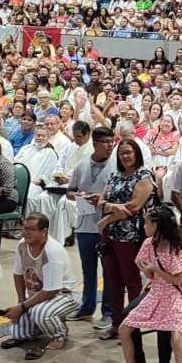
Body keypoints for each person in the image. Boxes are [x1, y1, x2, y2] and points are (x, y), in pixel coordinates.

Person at [117, 204, 182, 363]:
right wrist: (148, 271)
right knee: (124, 328)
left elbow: (177, 281)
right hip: (156, 291)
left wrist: (155, 269)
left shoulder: (176, 248)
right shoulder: (148, 244)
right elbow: (150, 275)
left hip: (174, 294)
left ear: (157, 225)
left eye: (147, 223)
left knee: (176, 338)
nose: (144, 227)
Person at [94, 139, 155, 342]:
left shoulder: (144, 176)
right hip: (110, 234)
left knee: (131, 280)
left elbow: (135, 207)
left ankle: (132, 325)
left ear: (137, 153)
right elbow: (100, 201)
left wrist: (107, 218)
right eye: (122, 153)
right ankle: (116, 323)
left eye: (129, 152)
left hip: (129, 235)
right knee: (113, 280)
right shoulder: (114, 175)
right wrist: (112, 209)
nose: (125, 156)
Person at [1, 212, 79, 361]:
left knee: (41, 313)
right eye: (24, 228)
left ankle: (60, 333)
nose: (25, 233)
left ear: (44, 231)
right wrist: (21, 300)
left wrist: (23, 307)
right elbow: (18, 274)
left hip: (64, 295)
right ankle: (42, 327)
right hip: (39, 296)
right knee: (18, 331)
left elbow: (51, 290)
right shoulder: (22, 245)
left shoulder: (52, 251)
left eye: (31, 229)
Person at [66, 126, 115, 325]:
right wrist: (78, 196)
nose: (110, 146)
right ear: (95, 144)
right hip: (85, 223)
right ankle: (87, 307)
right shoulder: (81, 165)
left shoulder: (116, 166)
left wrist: (103, 198)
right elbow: (70, 191)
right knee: (88, 269)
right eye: (106, 142)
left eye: (112, 142)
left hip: (107, 224)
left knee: (109, 270)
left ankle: (108, 311)